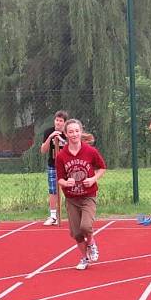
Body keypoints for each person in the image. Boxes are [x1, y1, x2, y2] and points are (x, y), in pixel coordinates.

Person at [55, 118, 107, 270]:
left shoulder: (90, 151)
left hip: (88, 195)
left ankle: (91, 242)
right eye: (70, 132)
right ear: (65, 134)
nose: (74, 134)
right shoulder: (61, 156)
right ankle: (84, 258)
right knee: (77, 233)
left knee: (85, 226)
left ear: (81, 132)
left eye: (77, 131)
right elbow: (59, 179)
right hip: (71, 198)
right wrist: (66, 183)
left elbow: (102, 168)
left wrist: (93, 179)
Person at [40, 110, 69, 225]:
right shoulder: (49, 132)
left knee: (70, 188)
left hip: (67, 166)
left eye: (61, 121)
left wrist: (62, 140)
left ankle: (74, 213)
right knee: (53, 190)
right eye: (57, 120)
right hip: (53, 165)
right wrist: (51, 137)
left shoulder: (68, 133)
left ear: (65, 123)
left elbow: (73, 147)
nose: (58, 123)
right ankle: (53, 216)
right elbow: (43, 150)